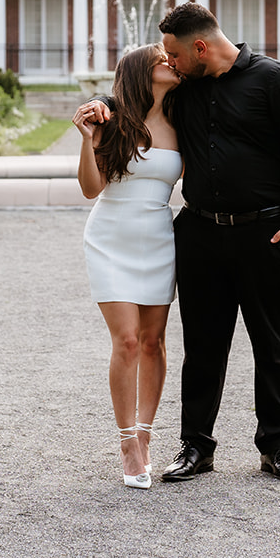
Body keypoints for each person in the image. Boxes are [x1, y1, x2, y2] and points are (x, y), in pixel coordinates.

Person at [79, 2, 280, 484]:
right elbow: (131, 95)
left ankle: (275, 446)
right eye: (163, 57)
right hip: (200, 234)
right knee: (202, 347)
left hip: (267, 234)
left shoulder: (276, 81)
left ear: (199, 47)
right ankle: (196, 446)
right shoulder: (185, 90)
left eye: (173, 53)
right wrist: (99, 105)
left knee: (273, 345)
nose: (169, 62)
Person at [72, 43, 182, 489]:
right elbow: (89, 189)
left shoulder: (182, 118)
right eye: (162, 60)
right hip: (110, 239)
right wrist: (86, 140)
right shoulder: (111, 121)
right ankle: (125, 442)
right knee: (128, 342)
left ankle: (145, 433)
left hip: (159, 239)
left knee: (154, 342)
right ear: (142, 72)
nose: (171, 63)